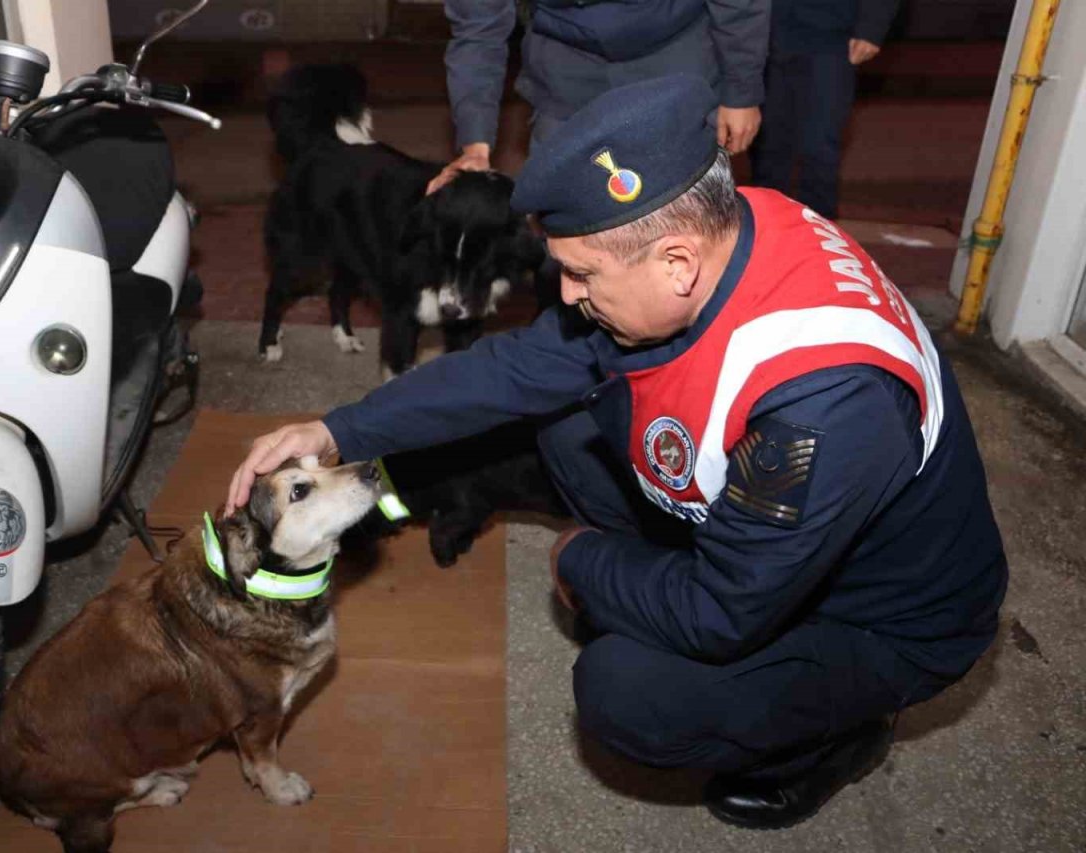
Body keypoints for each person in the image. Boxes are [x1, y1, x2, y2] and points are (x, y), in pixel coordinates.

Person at [228, 74, 1007, 829]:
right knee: (566, 424)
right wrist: (338, 431)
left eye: (580, 274)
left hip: (878, 614)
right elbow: (517, 367)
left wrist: (581, 561)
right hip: (784, 538)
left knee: (626, 692)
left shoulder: (823, 405)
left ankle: (834, 735)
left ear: (674, 262)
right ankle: (646, 589)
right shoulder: (735, 226)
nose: (565, 294)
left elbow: (722, 609)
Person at [425, 0, 769, 193]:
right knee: (565, 229)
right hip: (565, 66)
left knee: (683, 221)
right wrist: (475, 145)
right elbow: (478, 31)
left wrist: (741, 90)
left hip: (676, 55)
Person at [750, 0, 903, 219]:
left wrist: (872, 26)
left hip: (832, 34)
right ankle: (762, 223)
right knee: (767, 140)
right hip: (764, 28)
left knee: (820, 141)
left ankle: (819, 230)